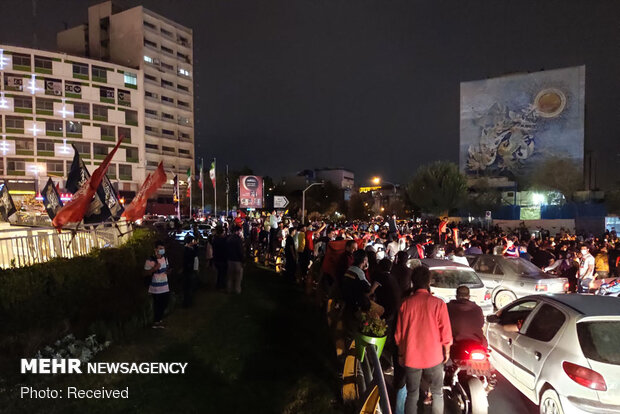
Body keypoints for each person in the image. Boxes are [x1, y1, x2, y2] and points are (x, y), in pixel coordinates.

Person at [394, 266, 452, 414]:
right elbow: (446, 333)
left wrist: (401, 355)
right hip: (434, 357)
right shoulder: (438, 304)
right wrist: (447, 351)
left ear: (413, 282)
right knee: (437, 393)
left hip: (411, 356)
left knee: (412, 394)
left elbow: (399, 334)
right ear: (428, 282)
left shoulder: (405, 304)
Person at [144, 241, 171, 328]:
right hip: (155, 287)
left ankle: (159, 319)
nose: (162, 250)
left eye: (163, 248)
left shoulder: (165, 258)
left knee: (165, 302)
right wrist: (155, 268)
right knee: (157, 304)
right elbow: (145, 273)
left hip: (165, 286)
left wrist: (168, 271)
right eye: (160, 248)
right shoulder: (150, 260)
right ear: (155, 249)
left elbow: (166, 268)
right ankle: (157, 321)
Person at [226, 226, 244, 294]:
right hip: (237, 260)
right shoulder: (238, 239)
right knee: (238, 277)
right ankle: (237, 290)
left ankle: (229, 289)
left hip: (230, 259)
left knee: (230, 276)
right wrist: (242, 260)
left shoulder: (228, 238)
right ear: (237, 231)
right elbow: (240, 251)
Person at [182, 234, 198, 307]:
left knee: (190, 287)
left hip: (190, 270)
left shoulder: (190, 249)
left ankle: (188, 301)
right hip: (188, 271)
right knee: (188, 287)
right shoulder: (187, 250)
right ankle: (187, 302)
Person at [212, 225, 228, 290]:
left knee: (219, 273)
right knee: (222, 273)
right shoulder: (223, 240)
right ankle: (222, 285)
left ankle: (218, 285)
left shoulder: (215, 239)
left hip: (216, 258)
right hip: (223, 258)